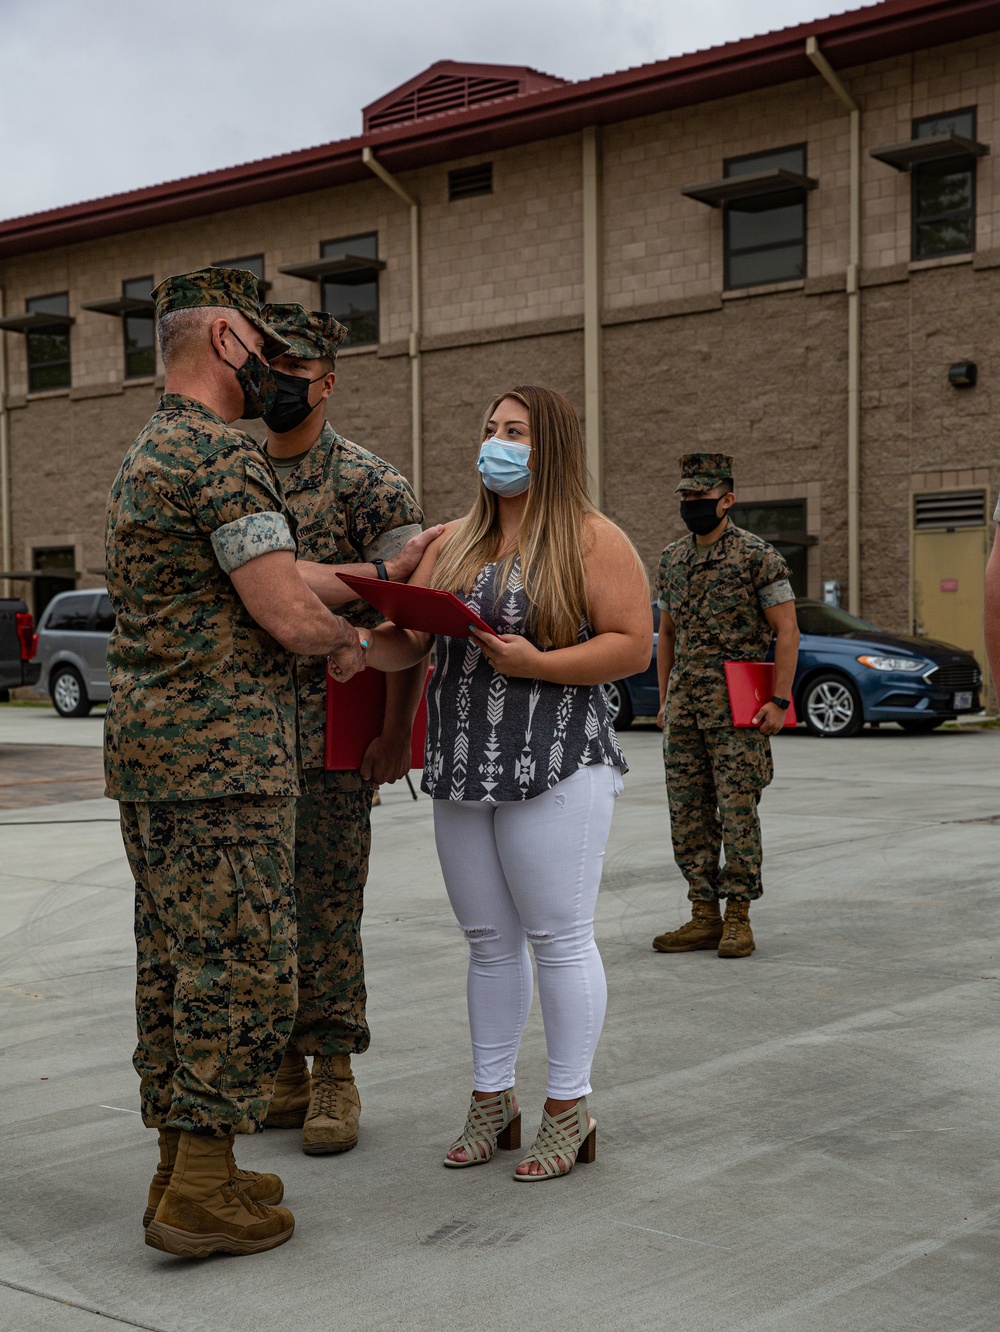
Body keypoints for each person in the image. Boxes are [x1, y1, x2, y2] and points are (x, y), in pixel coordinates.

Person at [104, 267, 368, 1258]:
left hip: (152, 760)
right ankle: (202, 1191)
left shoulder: (147, 453)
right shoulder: (224, 454)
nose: (271, 362)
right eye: (259, 339)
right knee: (242, 966)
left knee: (175, 964)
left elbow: (251, 573)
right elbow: (282, 608)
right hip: (228, 765)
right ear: (223, 339)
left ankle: (181, 1162)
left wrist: (358, 582)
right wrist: (353, 643)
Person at [362, 385, 651, 1181]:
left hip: (556, 761)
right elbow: (409, 642)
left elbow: (633, 647)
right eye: (490, 428)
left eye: (515, 431)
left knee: (559, 938)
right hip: (464, 765)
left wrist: (539, 664)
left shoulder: (594, 540)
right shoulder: (452, 539)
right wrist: (358, 645)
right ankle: (494, 1099)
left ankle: (569, 1106)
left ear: (549, 446)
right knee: (488, 943)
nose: (497, 443)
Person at [255, 303, 431, 1156]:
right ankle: (284, 1066)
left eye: (290, 374)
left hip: (334, 730)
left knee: (327, 904)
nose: (272, 386)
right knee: (263, 912)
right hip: (244, 733)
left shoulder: (370, 483)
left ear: (326, 382)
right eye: (265, 367)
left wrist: (399, 733)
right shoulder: (235, 473)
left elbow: (416, 621)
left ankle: (333, 1071)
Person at [652, 453, 799, 959]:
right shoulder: (672, 559)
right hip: (686, 709)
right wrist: (665, 699)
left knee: (737, 812)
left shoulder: (759, 556)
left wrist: (780, 700)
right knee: (688, 813)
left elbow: (787, 632)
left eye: (701, 496)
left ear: (727, 499)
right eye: (686, 497)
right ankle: (703, 915)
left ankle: (739, 916)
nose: (692, 504)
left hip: (739, 710)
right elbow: (666, 633)